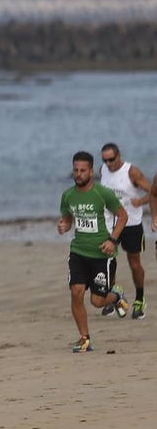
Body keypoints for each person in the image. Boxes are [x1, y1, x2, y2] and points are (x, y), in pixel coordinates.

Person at [58, 151, 129, 353]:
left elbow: (122, 216)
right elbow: (67, 219)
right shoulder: (68, 196)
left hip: (101, 255)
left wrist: (112, 240)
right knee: (76, 292)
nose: (78, 174)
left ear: (91, 171)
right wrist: (64, 226)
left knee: (97, 301)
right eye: (75, 170)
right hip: (78, 251)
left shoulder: (102, 193)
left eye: (83, 170)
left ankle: (116, 297)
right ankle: (85, 338)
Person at [98, 143, 152, 320]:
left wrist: (141, 202)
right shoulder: (103, 170)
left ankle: (140, 299)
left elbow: (153, 191)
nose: (108, 163)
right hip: (110, 224)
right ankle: (114, 297)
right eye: (105, 160)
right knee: (107, 262)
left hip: (131, 223)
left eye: (111, 159)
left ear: (119, 155)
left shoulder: (132, 172)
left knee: (134, 263)